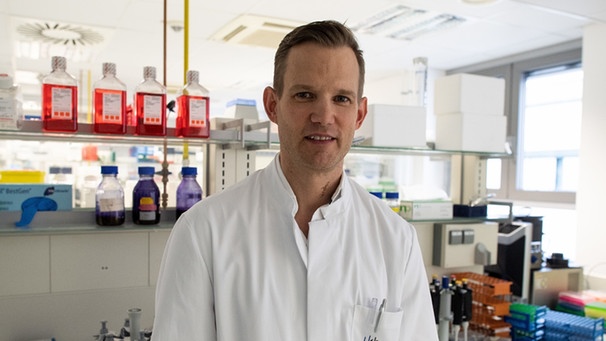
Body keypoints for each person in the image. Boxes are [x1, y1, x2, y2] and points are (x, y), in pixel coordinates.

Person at [153, 20, 438, 340]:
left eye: (341, 99)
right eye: (305, 95)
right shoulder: (204, 231)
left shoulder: (397, 240)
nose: (324, 116)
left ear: (359, 114)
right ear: (273, 105)